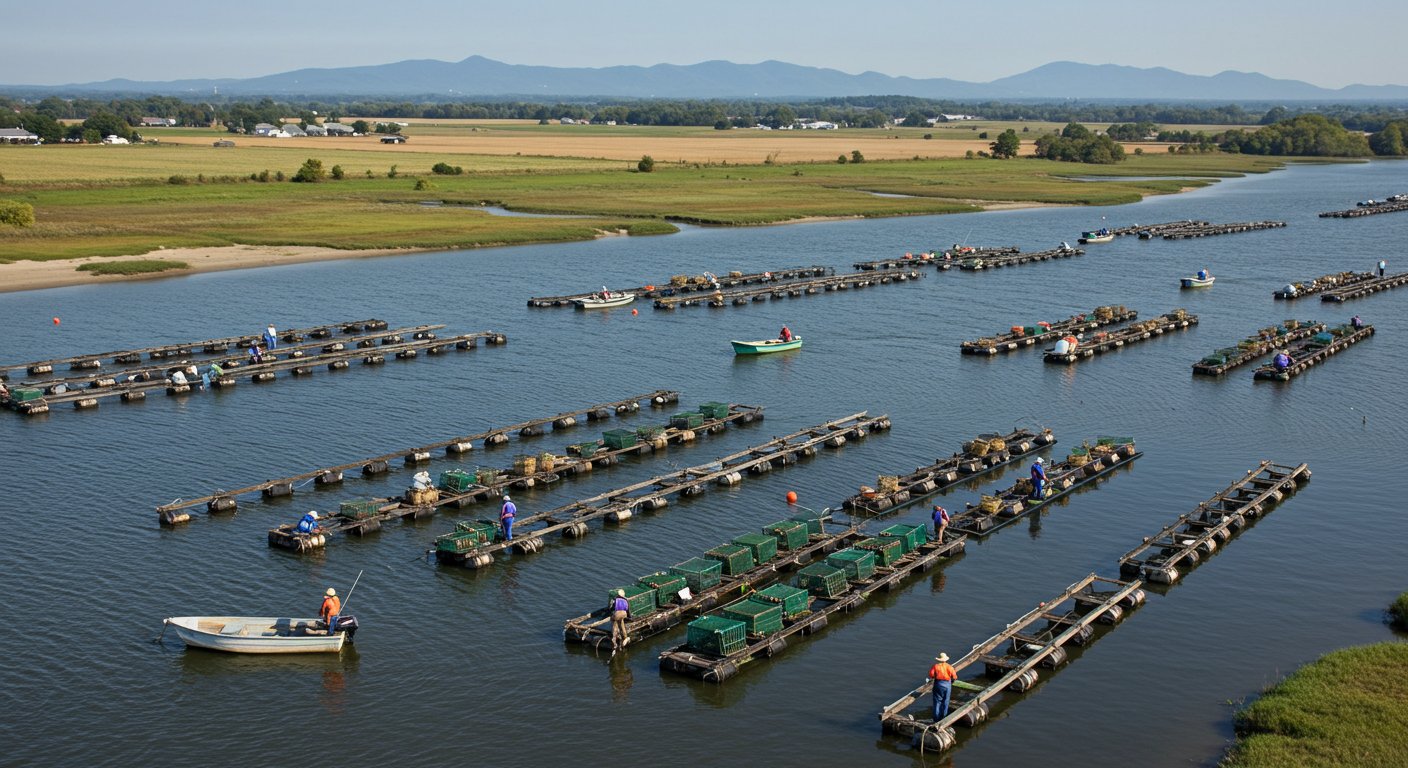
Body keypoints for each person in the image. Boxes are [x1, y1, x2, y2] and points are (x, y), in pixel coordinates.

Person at [928, 653, 958, 721]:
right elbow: (955, 677)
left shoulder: (936, 666)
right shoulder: (949, 667)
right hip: (947, 684)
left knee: (937, 701)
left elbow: (931, 674)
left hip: (938, 683)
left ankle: (936, 719)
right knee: (945, 701)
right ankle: (943, 718)